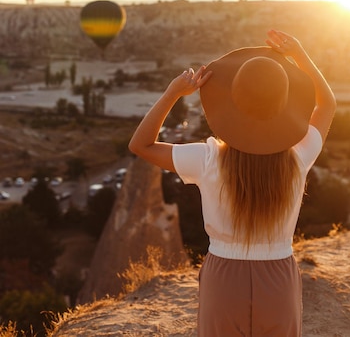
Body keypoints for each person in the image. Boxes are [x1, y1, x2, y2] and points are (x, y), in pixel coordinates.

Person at [128, 29, 336, 337]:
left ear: (232, 103)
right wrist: (300, 55)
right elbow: (327, 105)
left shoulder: (207, 159)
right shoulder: (299, 156)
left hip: (224, 277)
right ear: (284, 102)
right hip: (279, 276)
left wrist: (172, 93)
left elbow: (141, 145)